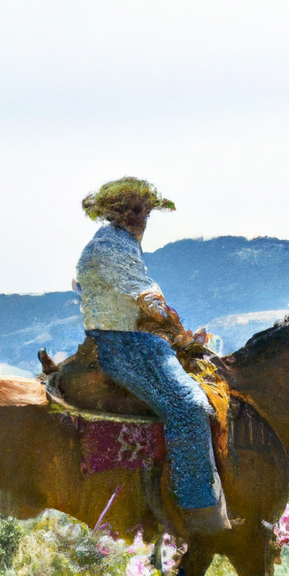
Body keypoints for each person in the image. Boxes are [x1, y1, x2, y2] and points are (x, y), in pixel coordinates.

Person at [75, 176, 232, 533]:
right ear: (117, 213)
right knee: (189, 405)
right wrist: (180, 333)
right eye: (134, 211)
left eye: (143, 211)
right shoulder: (113, 246)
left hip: (128, 338)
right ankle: (198, 509)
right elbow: (149, 302)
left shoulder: (113, 243)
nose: (141, 218)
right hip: (127, 345)